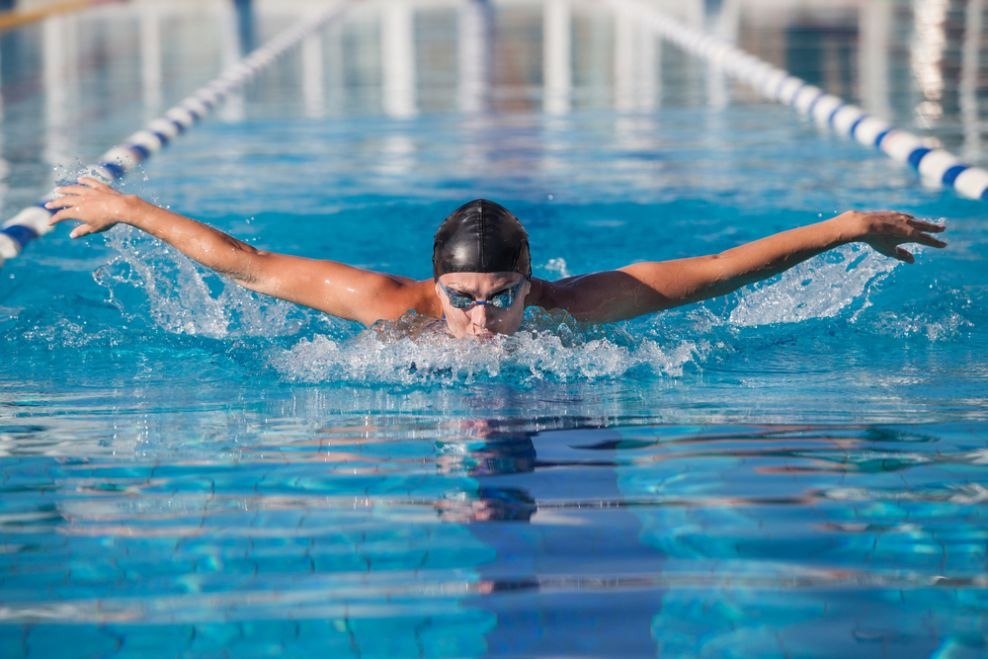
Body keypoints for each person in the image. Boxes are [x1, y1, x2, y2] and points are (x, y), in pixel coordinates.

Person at [46, 176, 947, 339]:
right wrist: (127, 208)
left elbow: (717, 270)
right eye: (464, 297)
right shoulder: (390, 307)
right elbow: (245, 264)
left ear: (532, 280)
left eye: (500, 296)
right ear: (435, 282)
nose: (481, 318)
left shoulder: (577, 306)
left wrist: (843, 226)